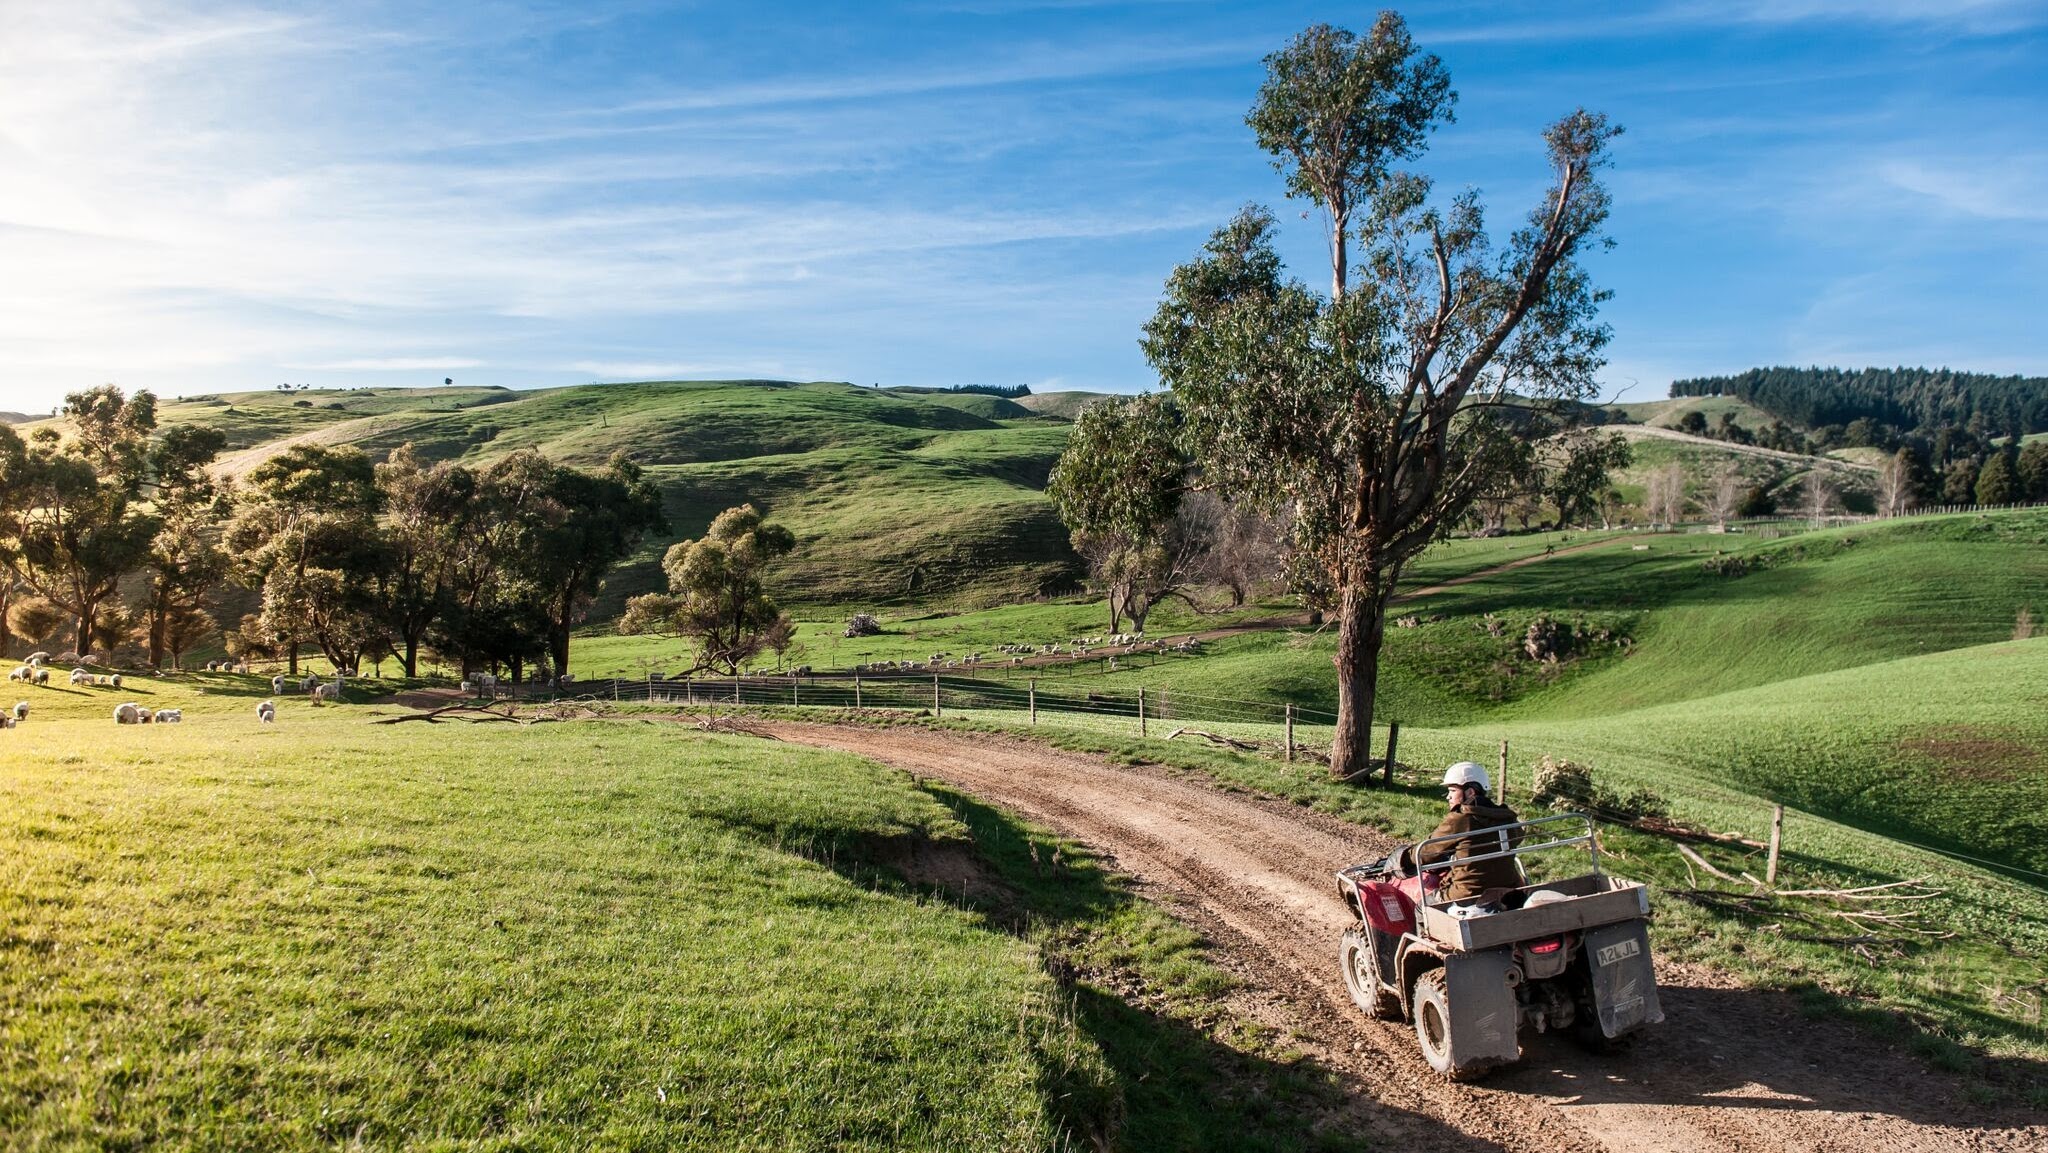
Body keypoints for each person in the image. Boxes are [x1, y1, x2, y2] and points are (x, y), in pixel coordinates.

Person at [1416, 761, 1525, 906]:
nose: (1448, 796)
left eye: (1453, 791)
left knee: (1421, 907)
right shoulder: (1507, 817)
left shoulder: (1460, 818)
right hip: (1508, 888)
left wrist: (1401, 859)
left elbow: (1427, 851)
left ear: (1470, 792)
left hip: (1467, 894)